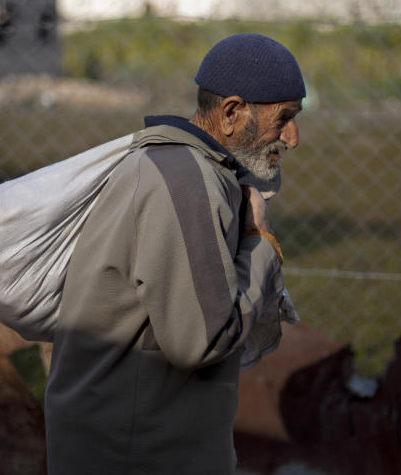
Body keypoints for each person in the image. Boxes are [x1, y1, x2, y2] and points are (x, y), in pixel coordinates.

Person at [44, 33, 305, 474]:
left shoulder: (180, 165)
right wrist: (261, 240)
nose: (293, 138)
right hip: (135, 452)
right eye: (284, 118)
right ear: (231, 113)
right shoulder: (187, 182)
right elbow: (200, 342)